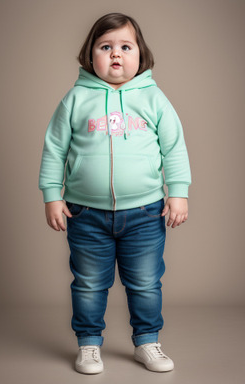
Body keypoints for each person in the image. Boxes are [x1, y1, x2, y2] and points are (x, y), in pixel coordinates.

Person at [38, 12, 192, 375]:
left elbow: (174, 148)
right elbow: (54, 149)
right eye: (105, 47)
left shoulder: (154, 98)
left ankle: (147, 342)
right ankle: (89, 345)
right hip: (85, 214)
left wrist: (178, 192)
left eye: (126, 46)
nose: (116, 54)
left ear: (141, 55)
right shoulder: (75, 99)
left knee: (145, 282)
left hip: (145, 213)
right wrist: (51, 196)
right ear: (90, 55)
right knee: (89, 284)